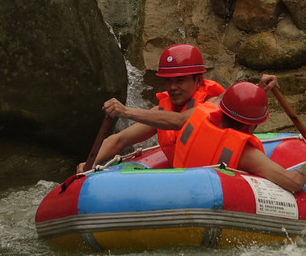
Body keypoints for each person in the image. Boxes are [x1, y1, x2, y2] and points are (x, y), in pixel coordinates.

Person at [173, 77, 306, 194]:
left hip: (177, 188)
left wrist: (256, 91)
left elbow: (235, 111)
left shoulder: (198, 118)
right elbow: (294, 182)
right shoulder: (246, 153)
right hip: (207, 203)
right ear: (250, 124)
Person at [81, 43, 224, 171]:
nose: (172, 87)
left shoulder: (215, 104)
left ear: (198, 81)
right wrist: (90, 163)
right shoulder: (162, 113)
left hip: (216, 176)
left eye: (180, 80)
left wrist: (125, 111)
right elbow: (119, 140)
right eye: (168, 81)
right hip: (184, 178)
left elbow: (181, 121)